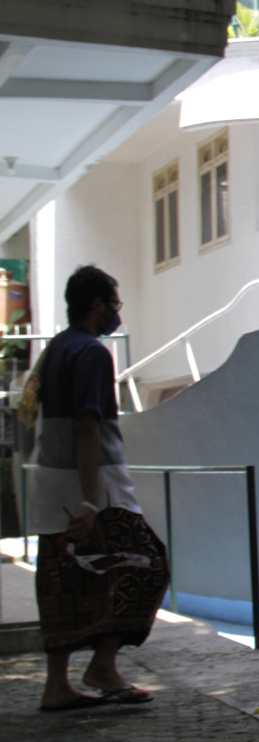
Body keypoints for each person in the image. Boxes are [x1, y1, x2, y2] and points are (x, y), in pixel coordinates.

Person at [31, 266, 168, 711]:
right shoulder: (91, 353)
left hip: (50, 481)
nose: (116, 314)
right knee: (146, 563)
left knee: (61, 580)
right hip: (97, 483)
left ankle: (56, 684)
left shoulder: (55, 349)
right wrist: (91, 500)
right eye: (114, 304)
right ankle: (103, 665)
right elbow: (87, 426)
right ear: (97, 305)